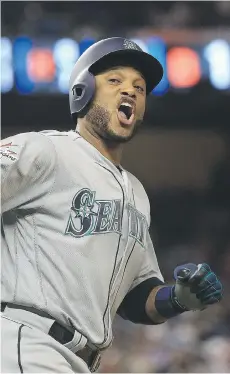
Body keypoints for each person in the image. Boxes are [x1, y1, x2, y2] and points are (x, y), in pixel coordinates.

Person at [1, 37, 223, 373]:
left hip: (79, 361)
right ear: (83, 91)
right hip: (27, 342)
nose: (131, 91)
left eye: (140, 87)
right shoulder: (45, 150)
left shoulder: (137, 194)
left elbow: (137, 298)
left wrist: (179, 298)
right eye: (114, 81)